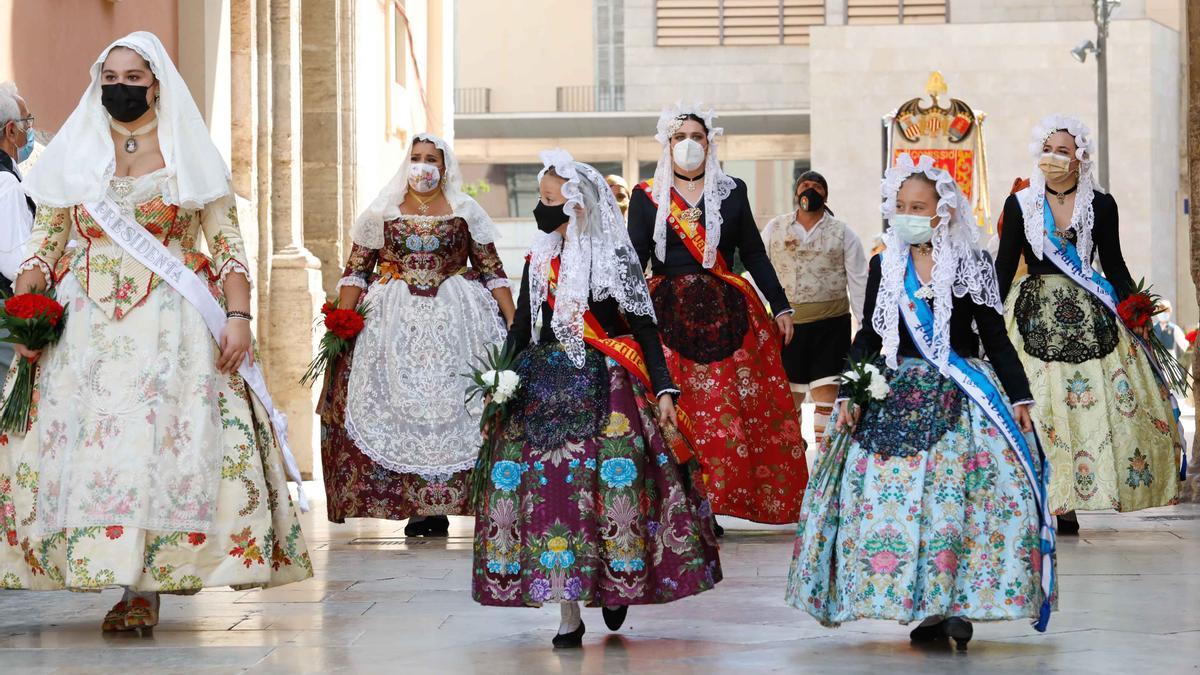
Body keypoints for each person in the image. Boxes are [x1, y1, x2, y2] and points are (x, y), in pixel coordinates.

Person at [0, 32, 311, 632]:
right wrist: (28, 305)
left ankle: (143, 589)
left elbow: (227, 250)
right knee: (92, 451)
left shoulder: (188, 153)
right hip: (82, 325)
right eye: (109, 79)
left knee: (157, 451)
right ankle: (104, 567)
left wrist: (240, 319)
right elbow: (44, 245)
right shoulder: (76, 154)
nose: (119, 89)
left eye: (132, 79)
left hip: (171, 323)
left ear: (156, 84)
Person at [787, 153, 1055, 650]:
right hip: (895, 390)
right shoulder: (882, 263)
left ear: (944, 210)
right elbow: (869, 335)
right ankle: (923, 608)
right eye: (901, 205)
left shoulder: (971, 264)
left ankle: (955, 605)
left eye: (919, 206)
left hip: (962, 388)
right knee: (901, 505)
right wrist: (851, 390)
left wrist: (1018, 394)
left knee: (959, 500)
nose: (908, 214)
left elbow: (994, 338)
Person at [472, 149, 721, 648]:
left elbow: (645, 330)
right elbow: (523, 326)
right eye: (540, 199)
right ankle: (567, 612)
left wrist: (665, 387)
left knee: (614, 484)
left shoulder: (614, 260)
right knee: (550, 494)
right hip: (543, 386)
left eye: (547, 200)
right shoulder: (538, 258)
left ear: (577, 205)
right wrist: (500, 383)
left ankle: (615, 585)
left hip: (607, 383)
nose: (540, 210)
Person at [995, 115, 1184, 532]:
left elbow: (1113, 264)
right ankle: (1053, 500)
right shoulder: (1020, 204)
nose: (1054, 158)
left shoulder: (1101, 204)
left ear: (1080, 158)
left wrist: (1136, 308)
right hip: (1032, 311)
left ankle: (1082, 490)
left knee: (1090, 408)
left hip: (1090, 310)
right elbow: (1005, 266)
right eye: (1048, 150)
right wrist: (984, 315)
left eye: (1063, 151)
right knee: (1042, 404)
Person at [319, 133, 513, 536]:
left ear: (445, 167)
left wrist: (513, 323)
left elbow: (492, 270)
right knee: (392, 405)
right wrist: (342, 322)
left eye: (431, 159)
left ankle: (453, 501)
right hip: (393, 323)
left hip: (457, 322)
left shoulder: (465, 210)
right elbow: (356, 269)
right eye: (416, 158)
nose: (423, 166)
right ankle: (413, 505)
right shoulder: (383, 210)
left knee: (457, 406)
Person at [627, 103, 806, 529]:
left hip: (728, 316)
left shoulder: (732, 190)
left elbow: (755, 253)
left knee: (725, 411)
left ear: (710, 143)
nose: (689, 145)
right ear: (666, 145)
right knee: (675, 410)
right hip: (666, 316)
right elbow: (634, 261)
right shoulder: (646, 194)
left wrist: (779, 304)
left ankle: (713, 504)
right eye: (679, 137)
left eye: (697, 137)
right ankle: (680, 502)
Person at [762, 170, 867, 450]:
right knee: (787, 398)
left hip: (831, 329)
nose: (810, 190)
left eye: (817, 186)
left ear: (826, 194)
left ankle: (824, 460)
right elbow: (761, 274)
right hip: (786, 328)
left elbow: (859, 282)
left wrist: (867, 328)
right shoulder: (775, 228)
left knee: (827, 396)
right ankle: (793, 461)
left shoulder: (843, 233)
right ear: (796, 193)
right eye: (805, 185)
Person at [0, 81, 35, 371]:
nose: (30, 130)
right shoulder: (5, 184)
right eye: (27, 122)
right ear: (11, 130)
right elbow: (17, 262)